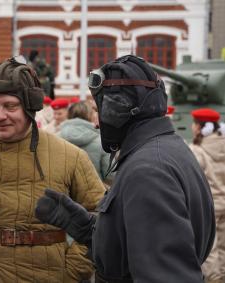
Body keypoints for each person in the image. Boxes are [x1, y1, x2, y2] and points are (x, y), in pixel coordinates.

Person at [35, 55, 215, 283]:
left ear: (117, 110)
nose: (98, 122)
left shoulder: (147, 172)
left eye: (100, 109)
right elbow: (138, 248)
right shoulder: (166, 149)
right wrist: (89, 230)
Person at [0, 56, 105, 282]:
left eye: (10, 106)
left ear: (30, 107)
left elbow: (101, 219)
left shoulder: (70, 156)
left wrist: (72, 271)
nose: (0, 115)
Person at [189, 108, 225, 283]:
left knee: (211, 248)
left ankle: (214, 279)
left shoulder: (197, 150)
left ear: (199, 126)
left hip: (211, 204)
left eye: (194, 124)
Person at [59, 101, 110, 181]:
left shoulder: (56, 137)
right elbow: (110, 175)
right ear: (90, 116)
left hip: (61, 190)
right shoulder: (101, 141)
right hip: (94, 190)